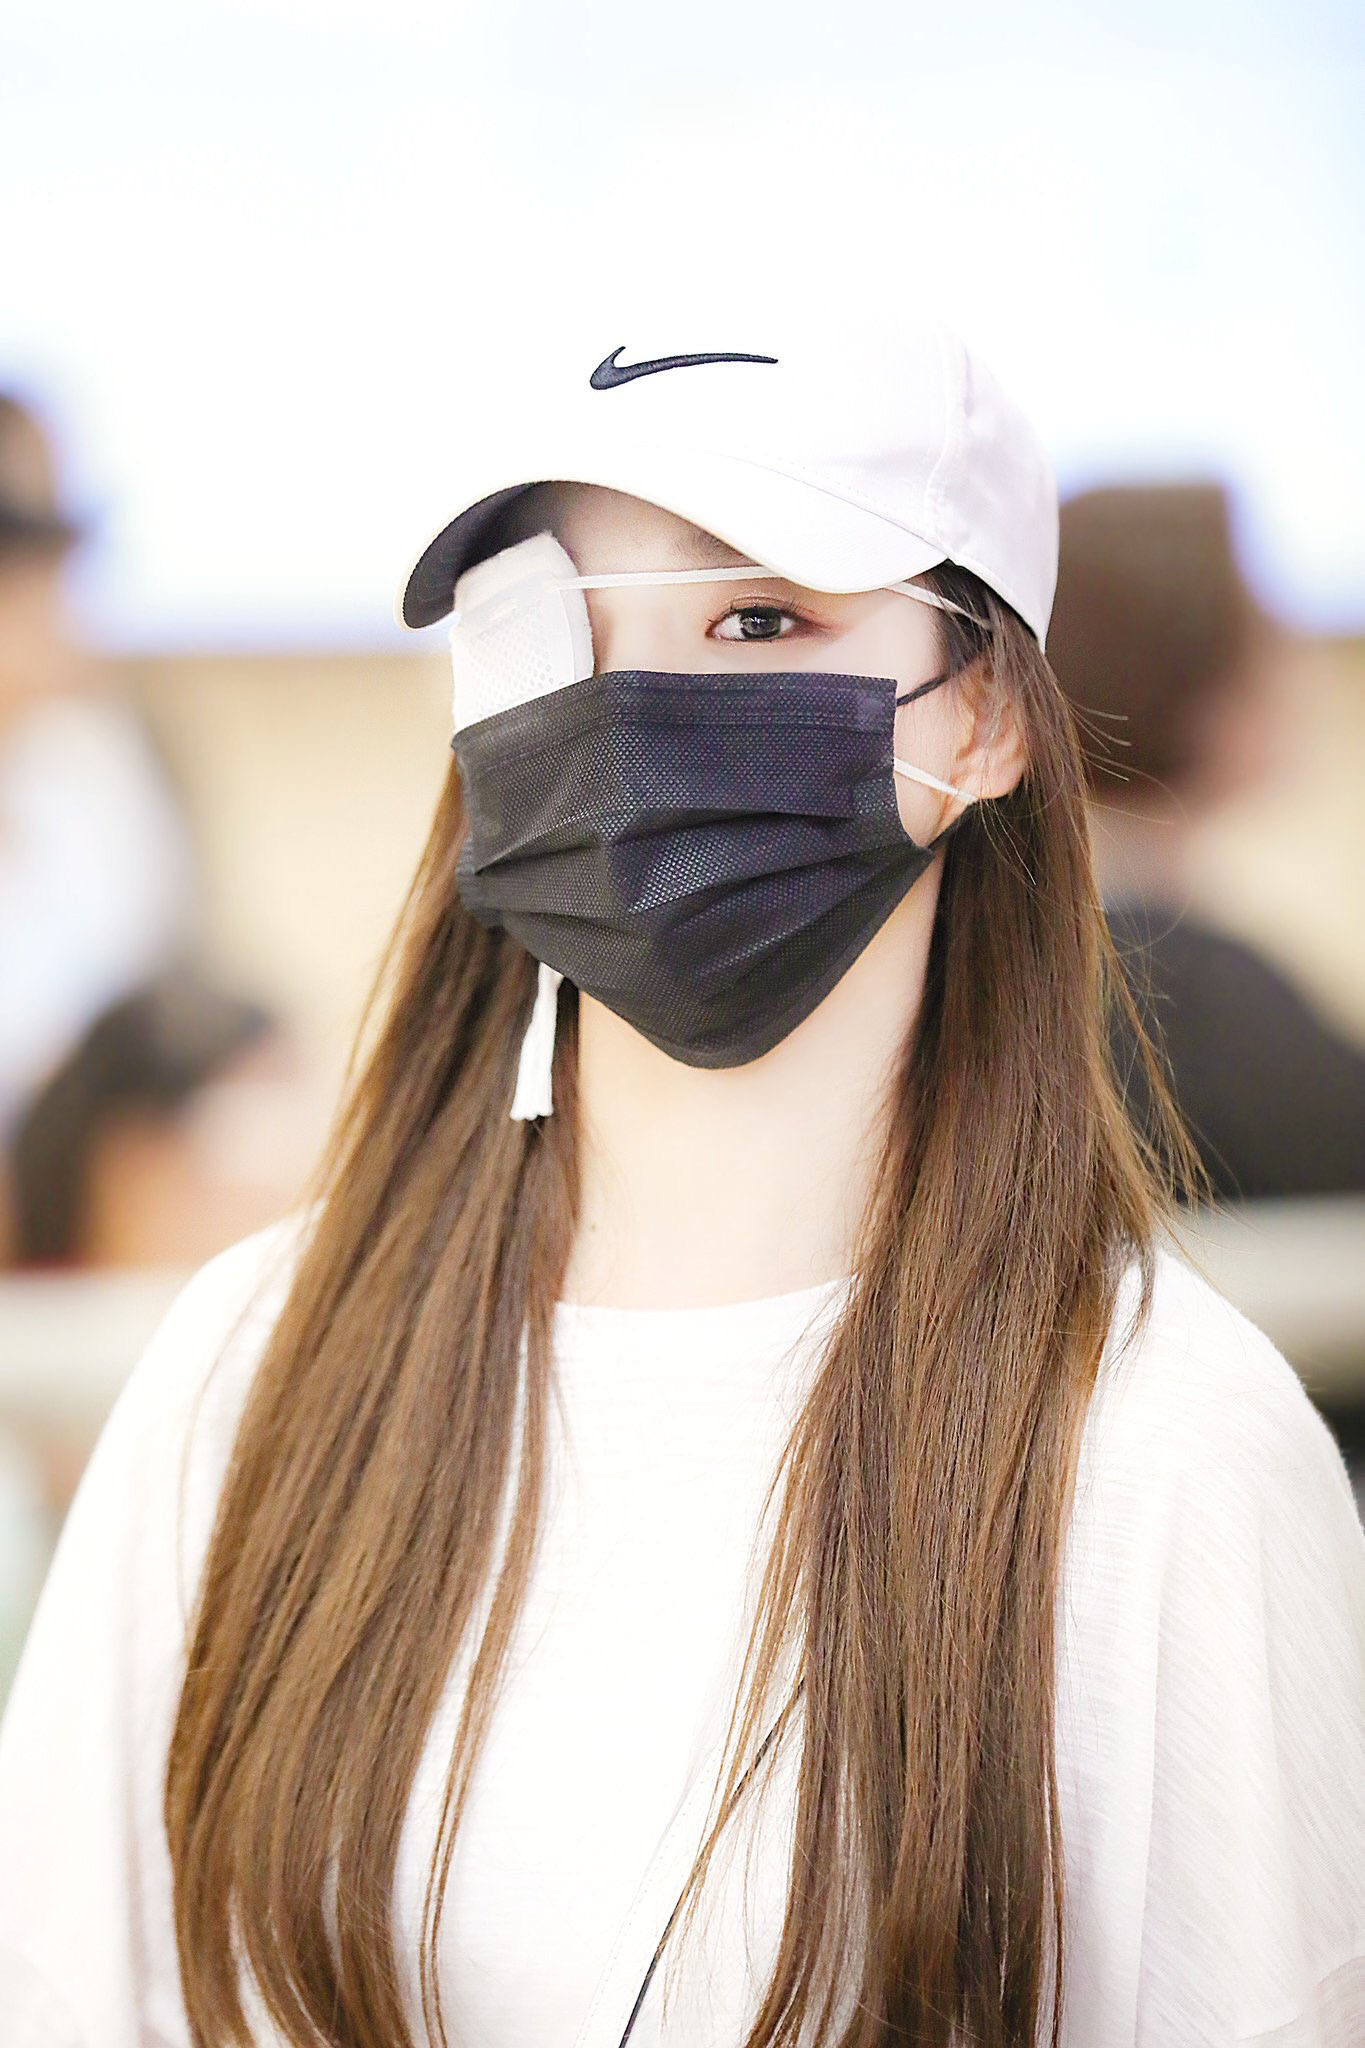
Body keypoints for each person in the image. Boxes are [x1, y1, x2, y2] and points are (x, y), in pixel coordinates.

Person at [0, 314, 1361, 2048]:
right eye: (549, 627)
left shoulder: (1167, 1453)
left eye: (759, 617)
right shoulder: (252, 1371)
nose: (623, 711)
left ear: (989, 715)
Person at [1045, 479, 1365, 1202]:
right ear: (1186, 679)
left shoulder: (1017, 940)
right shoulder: (1185, 986)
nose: (1297, 654)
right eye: (1260, 620)